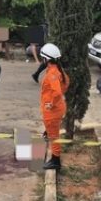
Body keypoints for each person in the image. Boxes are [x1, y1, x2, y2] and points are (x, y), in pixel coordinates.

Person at [38, 43, 70, 171]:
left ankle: (55, 161)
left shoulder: (52, 74)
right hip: (57, 108)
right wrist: (57, 97)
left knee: (54, 136)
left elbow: (56, 92)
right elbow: (67, 82)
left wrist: (51, 102)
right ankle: (54, 156)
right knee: (52, 133)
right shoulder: (56, 70)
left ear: (46, 59)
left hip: (52, 111)